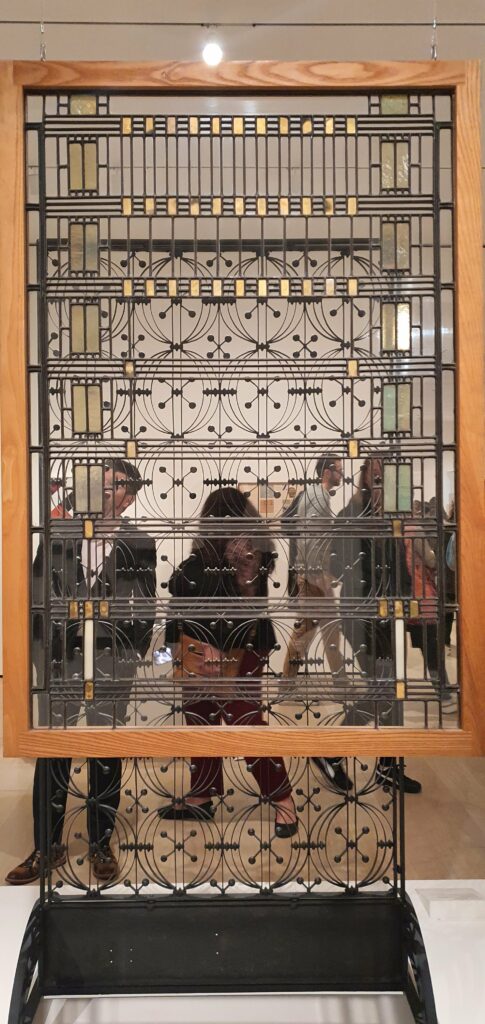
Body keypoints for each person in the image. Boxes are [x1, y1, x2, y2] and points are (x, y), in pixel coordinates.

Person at [6, 460, 156, 885]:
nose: (106, 490)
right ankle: (46, 846)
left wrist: (132, 656)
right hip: (60, 662)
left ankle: (100, 843)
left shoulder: (140, 543)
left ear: (130, 496)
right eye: (101, 482)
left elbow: (146, 606)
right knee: (52, 752)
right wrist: (40, 660)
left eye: (116, 484)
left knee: (105, 753)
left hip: (112, 664)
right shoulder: (58, 535)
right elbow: (36, 599)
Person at [159, 487, 298, 839]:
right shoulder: (212, 553)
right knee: (200, 718)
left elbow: (241, 602)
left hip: (241, 648)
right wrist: (179, 648)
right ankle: (201, 795)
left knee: (245, 722)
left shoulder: (247, 553)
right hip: (199, 650)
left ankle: (283, 799)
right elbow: (183, 597)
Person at [335, 458, 421, 794]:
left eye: (387, 476)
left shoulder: (390, 518)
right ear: (366, 478)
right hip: (361, 616)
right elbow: (337, 565)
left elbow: (400, 566)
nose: (383, 482)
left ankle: (388, 766)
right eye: (377, 475)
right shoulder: (352, 515)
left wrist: (405, 599)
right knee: (382, 689)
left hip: (386, 617)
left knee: (391, 691)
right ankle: (330, 751)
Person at [282, 455, 347, 686]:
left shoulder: (312, 494)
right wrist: (316, 574)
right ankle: (287, 682)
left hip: (313, 575)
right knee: (306, 631)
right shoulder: (318, 497)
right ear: (327, 472)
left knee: (327, 629)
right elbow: (311, 539)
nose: (342, 475)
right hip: (314, 577)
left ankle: (339, 680)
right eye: (339, 470)